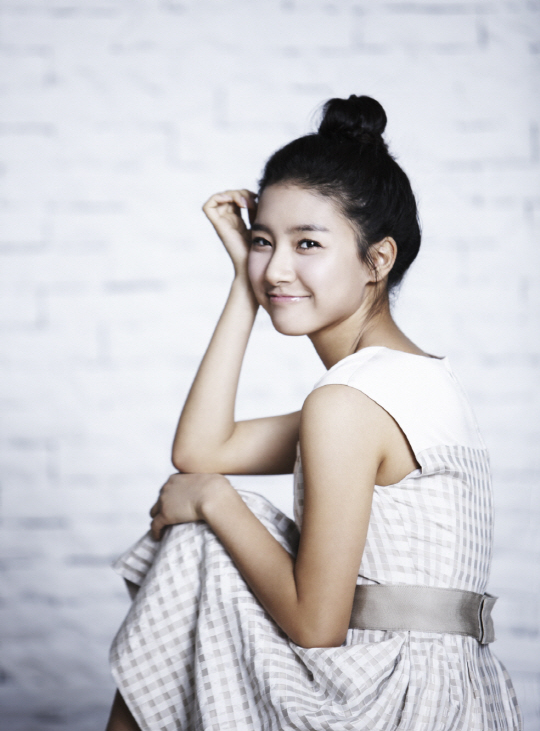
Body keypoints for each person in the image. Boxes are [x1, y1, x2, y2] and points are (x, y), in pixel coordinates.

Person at [105, 95, 522, 731]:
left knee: (199, 547)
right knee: (204, 541)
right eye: (263, 242)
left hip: (394, 698)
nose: (276, 268)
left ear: (377, 260)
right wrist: (242, 286)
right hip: (456, 692)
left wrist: (216, 499)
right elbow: (201, 449)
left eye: (307, 243)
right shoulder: (409, 381)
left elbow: (315, 624)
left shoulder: (347, 404)